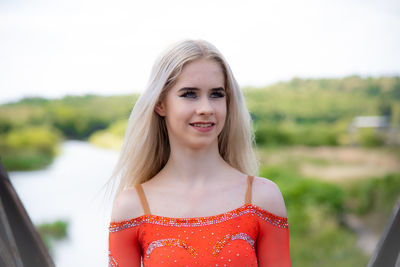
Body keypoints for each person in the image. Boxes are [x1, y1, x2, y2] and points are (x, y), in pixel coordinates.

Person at [107, 39, 291, 266]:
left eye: (216, 94)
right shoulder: (132, 207)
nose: (206, 109)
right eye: (189, 94)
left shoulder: (262, 198)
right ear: (160, 104)